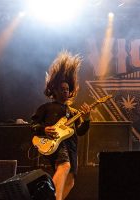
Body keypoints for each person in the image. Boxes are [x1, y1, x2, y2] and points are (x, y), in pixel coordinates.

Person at [31, 51, 91, 200]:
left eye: (67, 89)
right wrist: (44, 129)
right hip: (55, 142)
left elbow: (81, 131)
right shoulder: (46, 108)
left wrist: (87, 118)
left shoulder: (74, 112)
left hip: (71, 146)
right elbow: (33, 124)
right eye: (62, 89)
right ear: (55, 91)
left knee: (70, 180)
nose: (66, 91)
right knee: (64, 166)